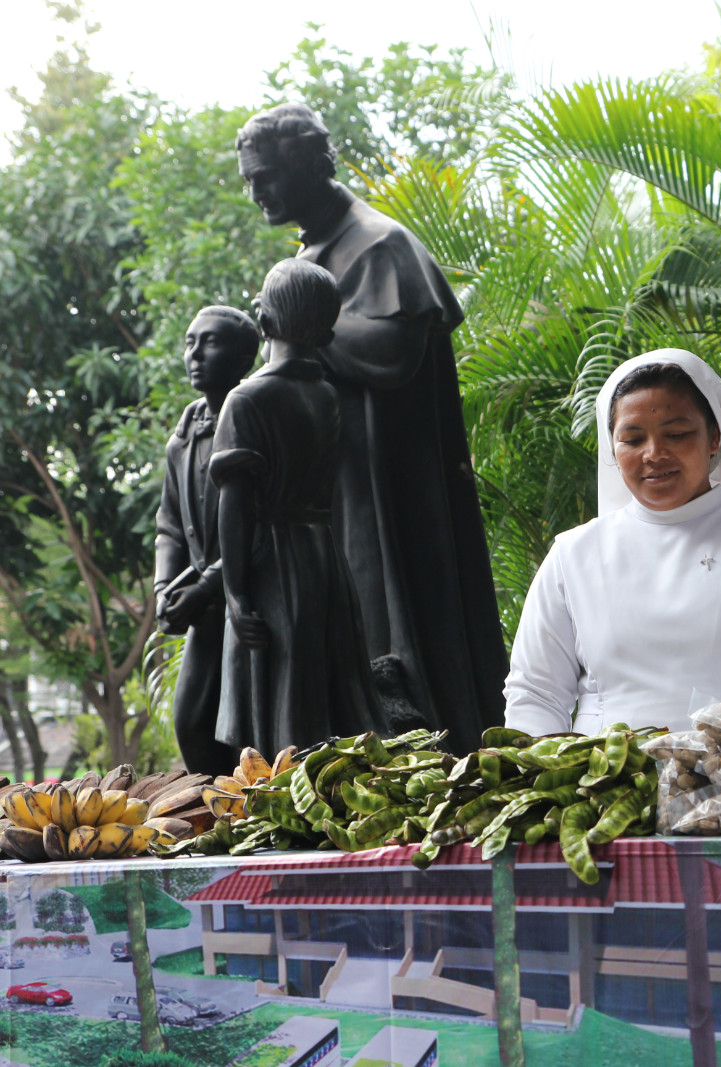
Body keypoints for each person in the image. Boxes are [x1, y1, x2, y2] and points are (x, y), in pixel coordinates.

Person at [235, 103, 506, 750]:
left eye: (267, 175)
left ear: (306, 166)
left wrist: (295, 324)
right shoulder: (317, 251)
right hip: (334, 497)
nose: (257, 192)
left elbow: (390, 351)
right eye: (249, 180)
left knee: (400, 650)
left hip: (390, 506)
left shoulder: (380, 243)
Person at [504, 349, 721, 735]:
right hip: (597, 784)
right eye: (632, 439)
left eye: (676, 434)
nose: (654, 454)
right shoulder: (573, 553)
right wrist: (548, 786)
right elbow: (536, 691)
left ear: (715, 437)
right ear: (613, 448)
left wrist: (703, 762)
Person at [210, 259, 384, 754]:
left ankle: (286, 814)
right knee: (323, 695)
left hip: (271, 564)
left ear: (263, 319)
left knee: (281, 700)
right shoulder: (326, 396)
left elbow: (236, 506)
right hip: (323, 559)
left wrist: (236, 593)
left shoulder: (247, 399)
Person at [153, 307, 259, 775]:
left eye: (210, 342)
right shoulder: (184, 434)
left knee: (250, 734)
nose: (194, 354)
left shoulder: (256, 415)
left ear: (242, 357)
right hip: (205, 608)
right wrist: (164, 590)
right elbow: (170, 525)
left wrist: (206, 587)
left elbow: (264, 523)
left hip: (251, 599)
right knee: (191, 723)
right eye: (189, 342)